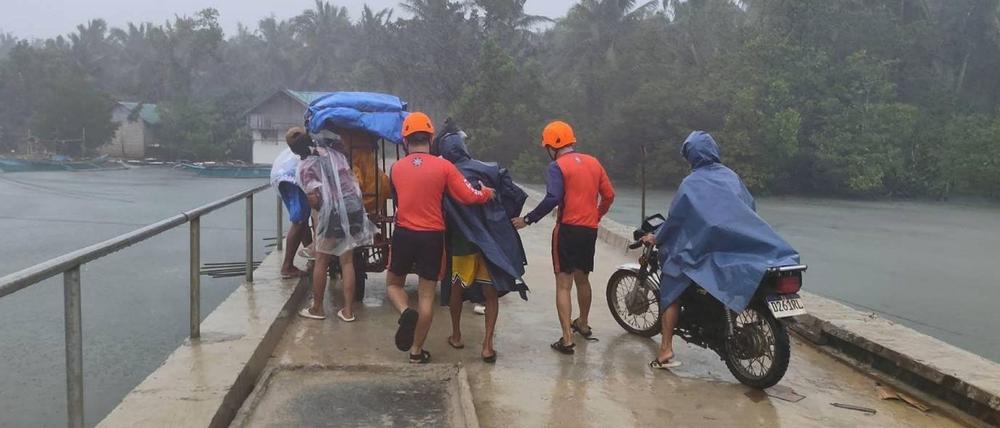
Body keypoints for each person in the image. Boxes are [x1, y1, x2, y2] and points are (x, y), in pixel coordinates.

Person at [640, 131, 799, 369]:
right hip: (738, 246)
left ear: (690, 156)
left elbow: (676, 220)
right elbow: (749, 207)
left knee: (671, 285)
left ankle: (665, 350)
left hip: (705, 251)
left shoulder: (690, 184)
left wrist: (657, 237)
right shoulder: (732, 177)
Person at [387, 112, 495, 364]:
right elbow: (468, 196)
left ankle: (405, 311)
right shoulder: (444, 167)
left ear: (405, 141)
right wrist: (486, 194)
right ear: (431, 138)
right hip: (432, 237)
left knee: (393, 285)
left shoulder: (396, 168)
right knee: (426, 296)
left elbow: (397, 200)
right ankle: (416, 351)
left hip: (404, 234)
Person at [512, 121, 615, 355]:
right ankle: (583, 323)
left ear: (551, 146)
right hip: (589, 230)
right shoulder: (594, 162)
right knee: (583, 279)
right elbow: (609, 195)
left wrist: (528, 219)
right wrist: (596, 215)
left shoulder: (557, 167)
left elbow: (553, 198)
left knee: (563, 284)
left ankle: (567, 339)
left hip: (567, 229)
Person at [437, 121, 529, 363]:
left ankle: (456, 335)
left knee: (456, 287)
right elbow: (514, 194)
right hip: (490, 242)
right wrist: (503, 217)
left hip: (462, 242)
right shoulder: (489, 169)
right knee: (490, 292)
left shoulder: (446, 174)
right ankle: (487, 345)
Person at [288, 127, 375, 322]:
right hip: (353, 208)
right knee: (347, 261)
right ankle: (348, 311)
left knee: (321, 260)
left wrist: (321, 211)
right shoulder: (335, 154)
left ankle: (317, 308)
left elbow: (314, 199)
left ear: (293, 151)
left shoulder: (305, 167)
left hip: (332, 213)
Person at [270, 139, 314, 279]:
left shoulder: (301, 144)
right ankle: (287, 266)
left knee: (303, 217)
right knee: (300, 220)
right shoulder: (314, 145)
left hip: (285, 174)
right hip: (292, 177)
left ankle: (312, 257)